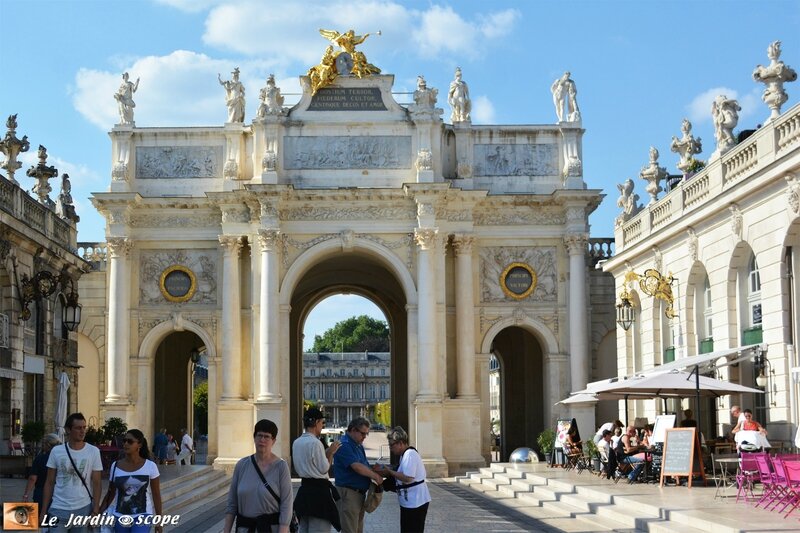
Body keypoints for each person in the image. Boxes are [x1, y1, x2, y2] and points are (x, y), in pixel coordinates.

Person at [223, 419, 293, 533]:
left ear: (273, 440)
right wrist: (226, 530)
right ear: (254, 438)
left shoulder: (281, 467)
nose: (262, 440)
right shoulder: (241, 465)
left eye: (267, 437)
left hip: (271, 529)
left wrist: (283, 529)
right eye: (259, 435)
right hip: (245, 528)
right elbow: (232, 503)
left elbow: (287, 504)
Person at [40, 413, 103, 532]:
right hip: (58, 508)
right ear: (68, 430)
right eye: (78, 428)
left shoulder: (93, 451)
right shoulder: (56, 451)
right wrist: (43, 511)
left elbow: (97, 482)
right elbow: (49, 482)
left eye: (84, 427)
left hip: (83, 509)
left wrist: (95, 510)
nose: (82, 431)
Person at [99, 429, 163, 533]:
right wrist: (99, 512)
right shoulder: (115, 466)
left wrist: (159, 521)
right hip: (120, 515)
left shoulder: (150, 466)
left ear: (139, 445)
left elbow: (156, 494)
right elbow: (111, 493)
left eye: (130, 441)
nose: (125, 444)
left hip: (142, 515)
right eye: (124, 441)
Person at [292, 407, 341, 532]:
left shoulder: (296, 442)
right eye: (321, 423)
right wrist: (330, 452)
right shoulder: (315, 443)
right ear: (316, 422)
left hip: (304, 492)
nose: (322, 426)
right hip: (319, 494)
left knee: (304, 528)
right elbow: (324, 468)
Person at [373, 427, 430, 533]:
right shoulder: (404, 455)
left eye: (391, 445)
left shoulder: (410, 454)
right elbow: (399, 471)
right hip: (409, 502)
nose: (390, 448)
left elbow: (407, 477)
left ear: (400, 443)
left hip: (416, 502)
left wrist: (389, 472)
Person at [333, 417, 384, 533]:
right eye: (363, 434)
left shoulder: (358, 445)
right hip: (348, 494)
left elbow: (363, 466)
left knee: (357, 530)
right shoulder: (344, 445)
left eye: (366, 434)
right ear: (353, 430)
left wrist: (374, 469)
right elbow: (356, 466)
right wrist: (375, 476)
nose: (364, 437)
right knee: (350, 530)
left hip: (358, 494)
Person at [23, 433, 61, 509]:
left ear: (48, 444)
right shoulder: (62, 459)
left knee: (40, 518)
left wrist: (26, 494)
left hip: (41, 493)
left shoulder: (40, 459)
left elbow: (32, 478)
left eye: (43, 443)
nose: (42, 446)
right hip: (58, 494)